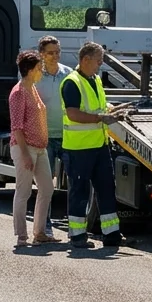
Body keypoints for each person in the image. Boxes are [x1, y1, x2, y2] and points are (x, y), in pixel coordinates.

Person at [61, 42, 127, 248]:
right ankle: (77, 236)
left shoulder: (95, 79)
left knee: (107, 188)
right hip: (79, 148)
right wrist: (101, 117)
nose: (100, 64)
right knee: (80, 191)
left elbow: (99, 105)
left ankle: (112, 234)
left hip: (99, 145)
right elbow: (73, 113)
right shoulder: (72, 82)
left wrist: (112, 110)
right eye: (98, 61)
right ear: (85, 60)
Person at [9, 50, 59, 247]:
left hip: (40, 147)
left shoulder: (33, 88)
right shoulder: (19, 93)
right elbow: (17, 127)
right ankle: (22, 235)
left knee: (47, 188)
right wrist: (24, 155)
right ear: (29, 70)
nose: (42, 72)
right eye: (39, 68)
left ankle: (40, 232)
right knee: (23, 192)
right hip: (25, 148)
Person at [35, 36, 72, 182]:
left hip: (67, 135)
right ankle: (46, 206)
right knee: (45, 182)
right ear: (41, 54)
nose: (55, 56)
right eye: (51, 53)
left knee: (74, 180)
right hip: (45, 137)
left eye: (58, 52)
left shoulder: (69, 74)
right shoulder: (35, 76)